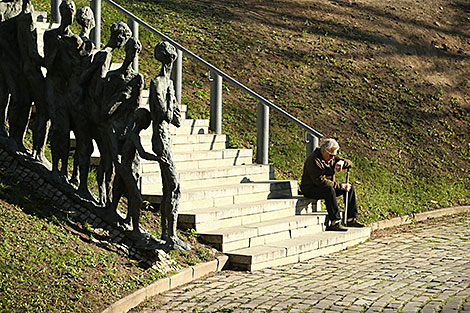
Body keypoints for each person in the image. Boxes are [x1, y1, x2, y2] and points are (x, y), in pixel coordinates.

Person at [300, 138, 364, 231]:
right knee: (329, 190)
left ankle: (351, 219)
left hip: (327, 186)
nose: (333, 158)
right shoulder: (313, 160)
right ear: (323, 151)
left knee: (349, 188)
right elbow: (320, 181)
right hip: (311, 188)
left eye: (334, 155)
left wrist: (342, 162)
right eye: (331, 155)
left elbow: (350, 163)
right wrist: (340, 186)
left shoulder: (331, 158)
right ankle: (335, 222)